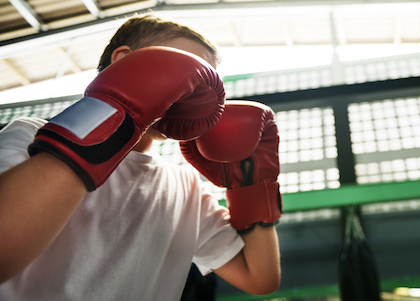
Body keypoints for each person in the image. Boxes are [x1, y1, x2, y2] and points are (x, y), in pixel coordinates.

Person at [0, 13, 281, 300]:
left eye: (206, 84)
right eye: (183, 67)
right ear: (123, 60)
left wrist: (251, 185)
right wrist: (110, 117)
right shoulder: (31, 137)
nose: (195, 92)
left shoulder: (185, 186)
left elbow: (260, 277)